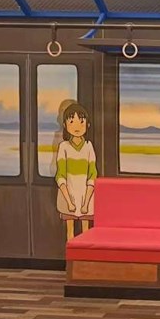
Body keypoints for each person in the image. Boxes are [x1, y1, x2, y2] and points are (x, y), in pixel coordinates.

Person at [55, 102, 97, 241]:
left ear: (87, 124)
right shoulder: (64, 147)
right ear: (65, 125)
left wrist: (85, 202)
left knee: (86, 232)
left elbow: (92, 175)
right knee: (70, 233)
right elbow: (60, 176)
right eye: (72, 121)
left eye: (81, 121)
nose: (77, 126)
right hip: (68, 194)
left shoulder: (89, 146)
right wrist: (69, 201)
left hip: (86, 195)